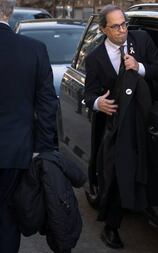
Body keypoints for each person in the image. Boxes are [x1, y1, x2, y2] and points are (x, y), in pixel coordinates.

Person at [84, 5, 158, 249]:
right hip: (114, 126)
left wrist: (138, 67)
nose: (122, 30)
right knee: (117, 174)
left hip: (143, 119)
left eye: (124, 24)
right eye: (116, 26)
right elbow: (88, 94)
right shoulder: (95, 58)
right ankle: (111, 226)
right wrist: (99, 103)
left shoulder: (140, 39)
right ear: (103, 29)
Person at [0, 0, 58, 252]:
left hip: (16, 149)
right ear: (9, 11)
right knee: (7, 218)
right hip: (16, 151)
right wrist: (41, 149)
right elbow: (47, 106)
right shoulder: (33, 49)